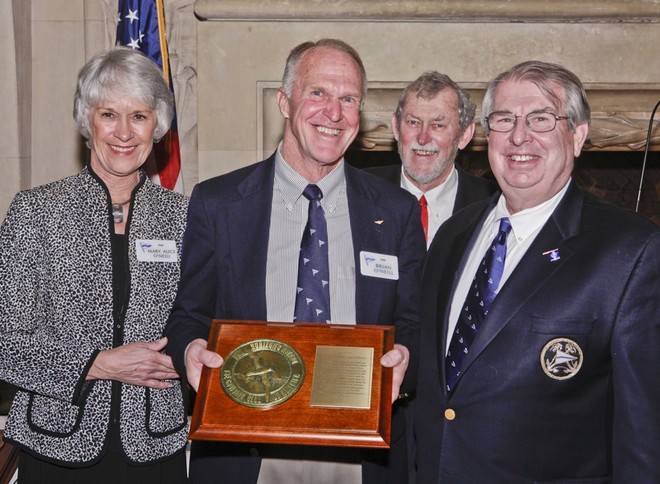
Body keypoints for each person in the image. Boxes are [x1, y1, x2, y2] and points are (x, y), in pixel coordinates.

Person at [164, 38, 425, 484]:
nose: (334, 112)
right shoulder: (219, 203)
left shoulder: (396, 211)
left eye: (349, 99)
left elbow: (416, 323)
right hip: (248, 450)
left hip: (361, 454)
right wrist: (189, 351)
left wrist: (406, 357)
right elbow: (188, 315)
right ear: (285, 102)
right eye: (318, 93)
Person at [414, 59, 660, 483]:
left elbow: (643, 431)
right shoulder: (453, 234)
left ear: (578, 135)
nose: (519, 136)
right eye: (504, 119)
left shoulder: (630, 251)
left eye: (541, 119)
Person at [0, 47, 189, 483]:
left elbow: (199, 321)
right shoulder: (36, 211)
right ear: (88, 120)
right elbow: (5, 341)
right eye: (109, 114)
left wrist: (188, 352)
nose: (124, 132)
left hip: (155, 444)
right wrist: (97, 363)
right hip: (56, 443)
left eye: (139, 116)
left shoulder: (184, 218)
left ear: (157, 126)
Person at [368, 71, 497, 247]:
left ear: (464, 135)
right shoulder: (359, 191)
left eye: (438, 125)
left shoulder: (492, 204)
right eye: (413, 122)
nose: (423, 138)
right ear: (396, 128)